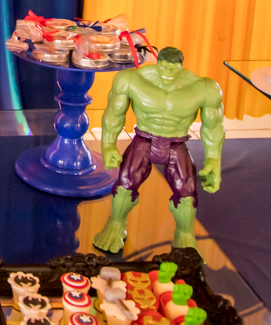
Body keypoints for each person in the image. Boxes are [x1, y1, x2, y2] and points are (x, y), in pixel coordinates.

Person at [92, 46, 225, 254]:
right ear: (158, 62)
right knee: (125, 183)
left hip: (176, 143)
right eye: (164, 67)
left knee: (187, 192)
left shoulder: (205, 88)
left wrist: (214, 159)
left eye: (173, 68)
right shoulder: (132, 80)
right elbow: (114, 113)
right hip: (144, 140)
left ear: (181, 66)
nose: (168, 73)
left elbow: (213, 125)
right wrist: (108, 145)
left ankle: (185, 235)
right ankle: (116, 224)